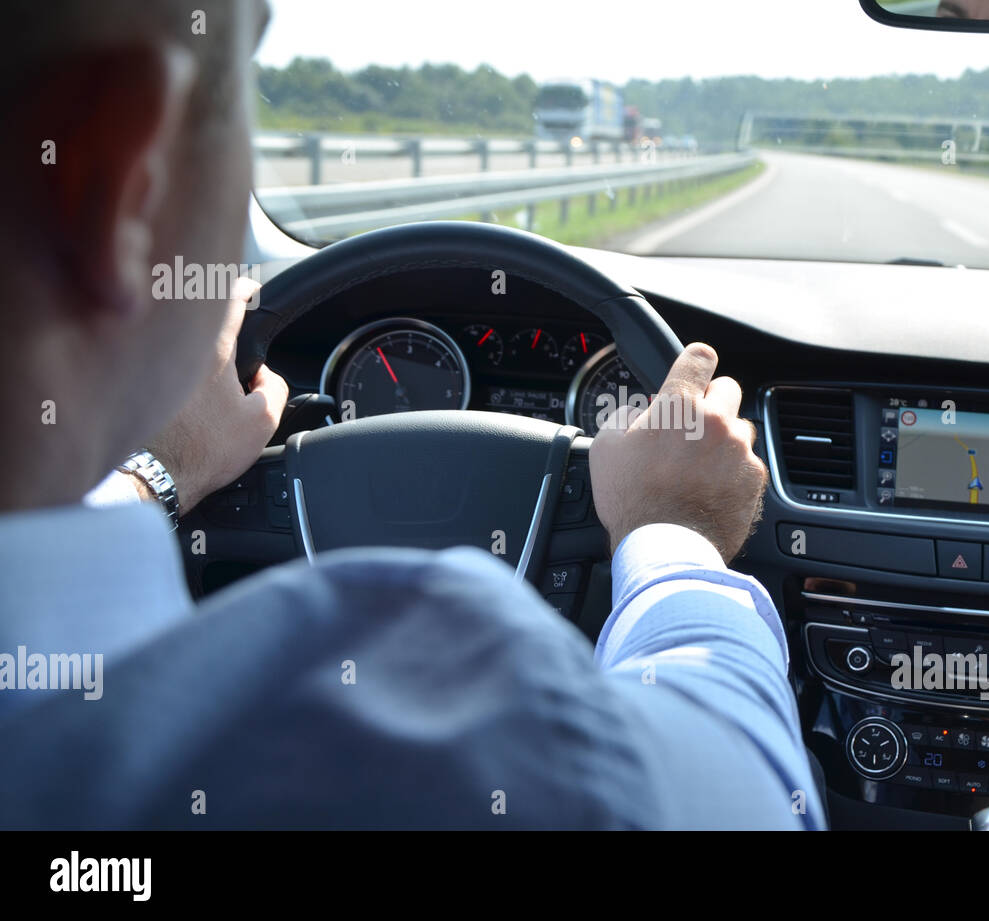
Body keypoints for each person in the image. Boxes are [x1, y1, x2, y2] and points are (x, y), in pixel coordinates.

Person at [0, 0, 824, 829]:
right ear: (120, 186)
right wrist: (674, 531)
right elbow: (743, 799)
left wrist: (157, 472)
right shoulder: (434, 736)